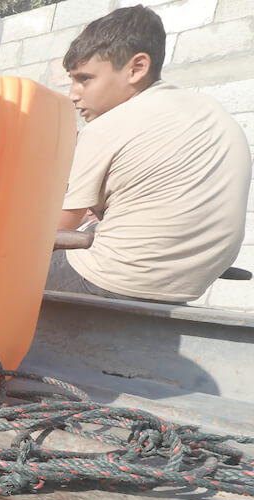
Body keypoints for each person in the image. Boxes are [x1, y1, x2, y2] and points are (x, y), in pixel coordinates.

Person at [45, 5, 251, 303]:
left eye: (84, 79)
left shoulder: (107, 127)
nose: (73, 94)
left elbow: (53, 232)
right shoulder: (213, 112)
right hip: (185, 287)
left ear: (136, 68)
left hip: (108, 279)